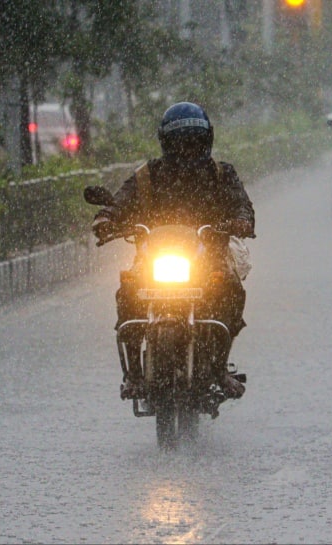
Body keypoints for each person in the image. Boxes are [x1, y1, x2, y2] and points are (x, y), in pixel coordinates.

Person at [91, 102, 255, 400]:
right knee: (128, 290)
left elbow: (242, 204)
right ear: (167, 144)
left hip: (209, 257)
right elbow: (119, 201)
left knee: (232, 289)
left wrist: (241, 221)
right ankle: (134, 374)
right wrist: (107, 218)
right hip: (155, 258)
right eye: (180, 143)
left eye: (194, 142)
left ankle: (218, 368)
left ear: (206, 141)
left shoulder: (221, 174)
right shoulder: (147, 176)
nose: (187, 150)